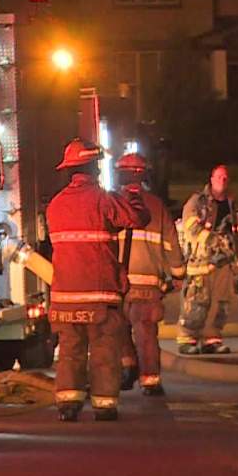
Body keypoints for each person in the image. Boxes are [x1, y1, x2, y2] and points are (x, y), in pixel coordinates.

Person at [47, 139, 149, 422]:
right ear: (94, 168)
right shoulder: (103, 200)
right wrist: (133, 194)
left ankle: (68, 403)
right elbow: (138, 218)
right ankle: (104, 404)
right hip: (100, 295)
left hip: (64, 297)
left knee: (70, 350)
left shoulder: (55, 206)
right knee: (104, 349)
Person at [115, 153, 185, 397]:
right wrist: (178, 274)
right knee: (146, 335)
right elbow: (171, 246)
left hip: (118, 285)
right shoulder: (157, 206)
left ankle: (127, 368)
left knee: (118, 329)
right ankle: (150, 380)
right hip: (148, 287)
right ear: (144, 175)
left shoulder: (112, 204)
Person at [177, 165, 238, 354]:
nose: (222, 180)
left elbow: (236, 232)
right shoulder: (197, 201)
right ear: (211, 179)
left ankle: (212, 338)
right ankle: (187, 338)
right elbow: (191, 227)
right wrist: (215, 241)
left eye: (225, 178)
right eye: (219, 177)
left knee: (221, 301)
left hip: (224, 262)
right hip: (200, 262)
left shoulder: (231, 202)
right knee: (196, 301)